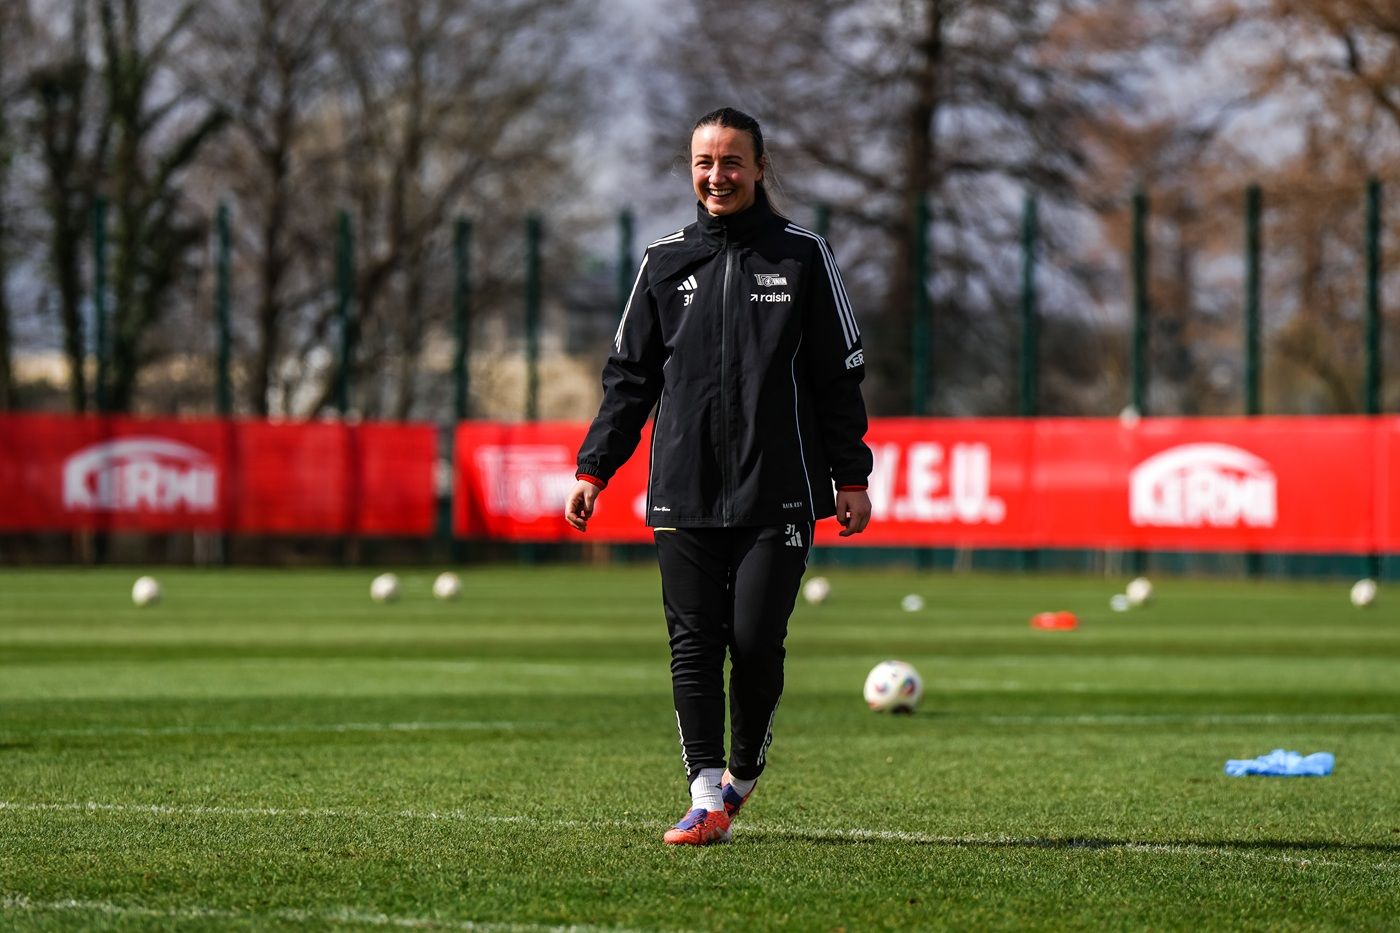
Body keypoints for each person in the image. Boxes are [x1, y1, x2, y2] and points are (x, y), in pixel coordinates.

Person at [564, 107, 872, 846]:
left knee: (757, 640)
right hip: (684, 484)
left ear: (761, 168)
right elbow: (629, 378)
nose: (717, 175)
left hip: (781, 488)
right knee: (693, 642)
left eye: (732, 161)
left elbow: (839, 379)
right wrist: (594, 466)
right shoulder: (664, 262)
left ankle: (742, 772)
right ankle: (705, 791)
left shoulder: (804, 256)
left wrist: (850, 474)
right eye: (704, 162)